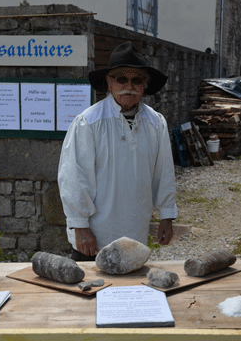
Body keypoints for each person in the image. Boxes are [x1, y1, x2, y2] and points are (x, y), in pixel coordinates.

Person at [58, 41, 178, 261]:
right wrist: (80, 226)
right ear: (109, 82)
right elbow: (74, 177)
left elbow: (164, 173)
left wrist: (166, 216)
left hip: (136, 236)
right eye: (122, 78)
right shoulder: (88, 122)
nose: (129, 86)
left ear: (145, 85)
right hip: (94, 239)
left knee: (130, 294)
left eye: (137, 80)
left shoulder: (156, 123)